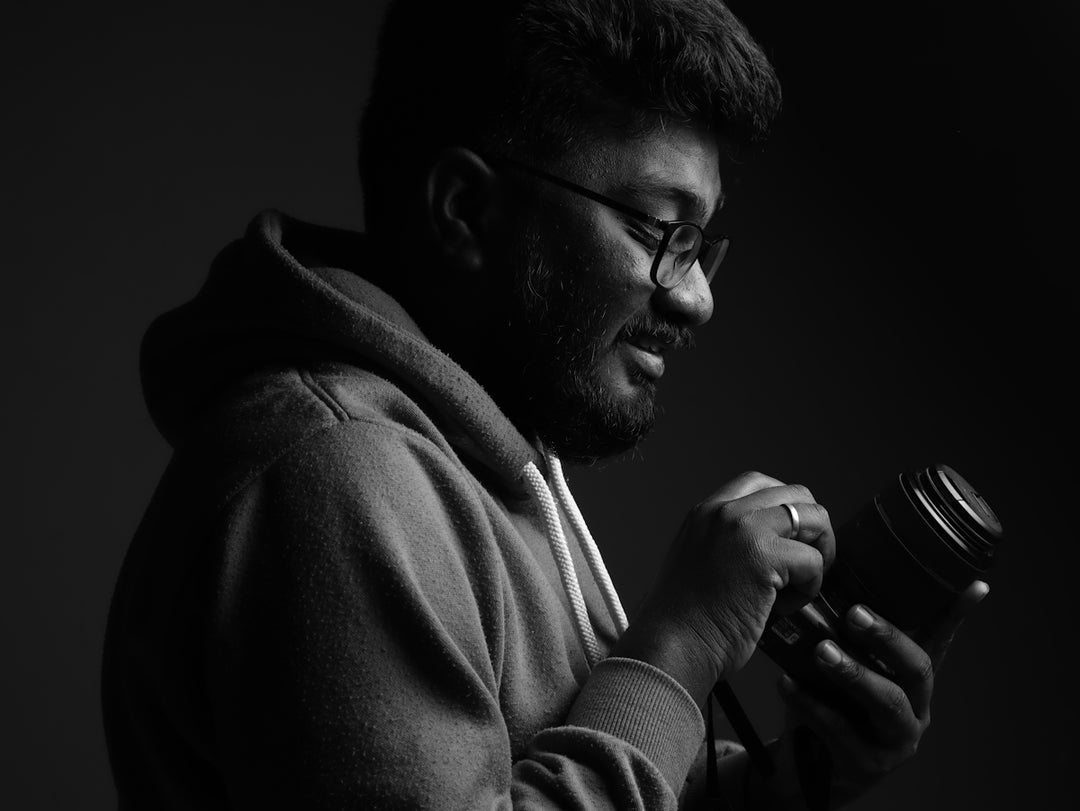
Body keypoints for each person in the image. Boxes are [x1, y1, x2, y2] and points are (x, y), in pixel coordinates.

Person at [102, 0, 988, 808]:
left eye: (701, 245)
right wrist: (679, 644)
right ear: (467, 207)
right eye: (655, 230)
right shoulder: (339, 470)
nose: (696, 299)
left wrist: (791, 780)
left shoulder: (478, 452)